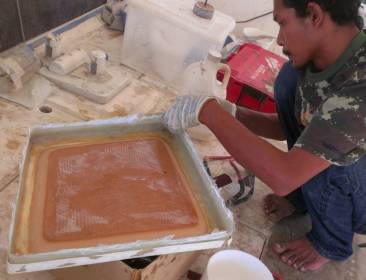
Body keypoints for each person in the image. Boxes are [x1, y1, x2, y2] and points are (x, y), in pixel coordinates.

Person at [164, 0, 366, 272]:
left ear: (315, 15)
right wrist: (233, 114)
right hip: (342, 164)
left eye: (282, 22)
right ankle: (303, 199)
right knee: (288, 79)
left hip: (359, 185)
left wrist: (210, 113)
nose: (280, 39)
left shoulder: (360, 85)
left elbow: (284, 177)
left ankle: (330, 242)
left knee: (333, 162)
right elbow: (294, 126)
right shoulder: (324, 58)